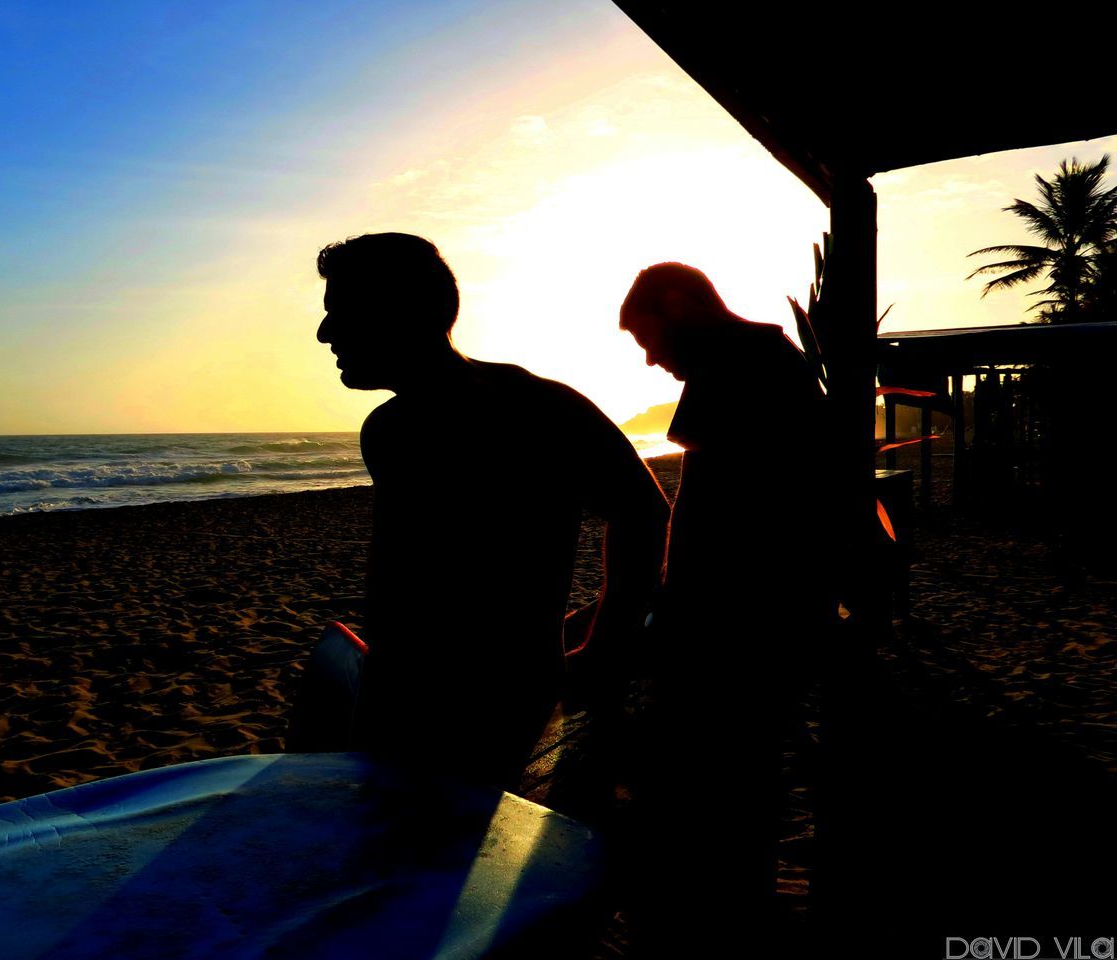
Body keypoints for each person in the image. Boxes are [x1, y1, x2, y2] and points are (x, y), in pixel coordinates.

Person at [314, 232, 669, 788]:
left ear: (401, 312)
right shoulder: (395, 428)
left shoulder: (532, 409)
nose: (324, 332)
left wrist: (605, 643)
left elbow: (643, 512)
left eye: (341, 312)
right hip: (407, 694)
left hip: (490, 708)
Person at [618, 263, 833, 935]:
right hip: (767, 603)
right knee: (744, 765)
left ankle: (717, 913)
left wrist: (671, 606)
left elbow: (712, 511)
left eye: (649, 340)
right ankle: (735, 900)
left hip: (738, 613)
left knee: (719, 766)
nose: (652, 361)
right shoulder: (772, 355)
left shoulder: (735, 362)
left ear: (679, 305)